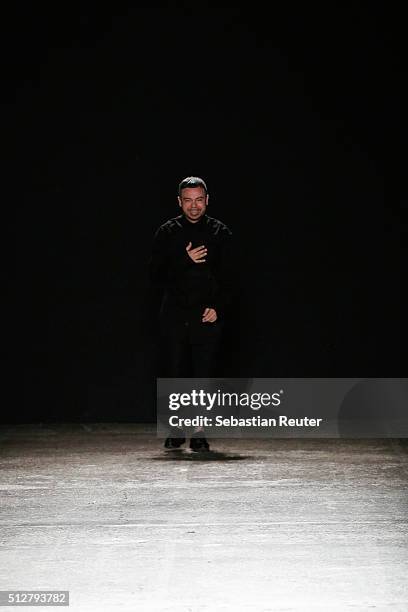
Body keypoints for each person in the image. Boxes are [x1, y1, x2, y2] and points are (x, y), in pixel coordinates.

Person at [149, 176, 233, 451]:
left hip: (206, 316)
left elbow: (232, 278)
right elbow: (154, 274)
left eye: (199, 200)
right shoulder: (167, 232)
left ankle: (199, 432)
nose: (194, 206)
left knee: (203, 375)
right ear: (179, 202)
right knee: (174, 373)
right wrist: (184, 260)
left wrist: (218, 307)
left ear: (207, 200)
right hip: (174, 315)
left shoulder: (221, 233)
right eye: (188, 200)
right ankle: (175, 429)